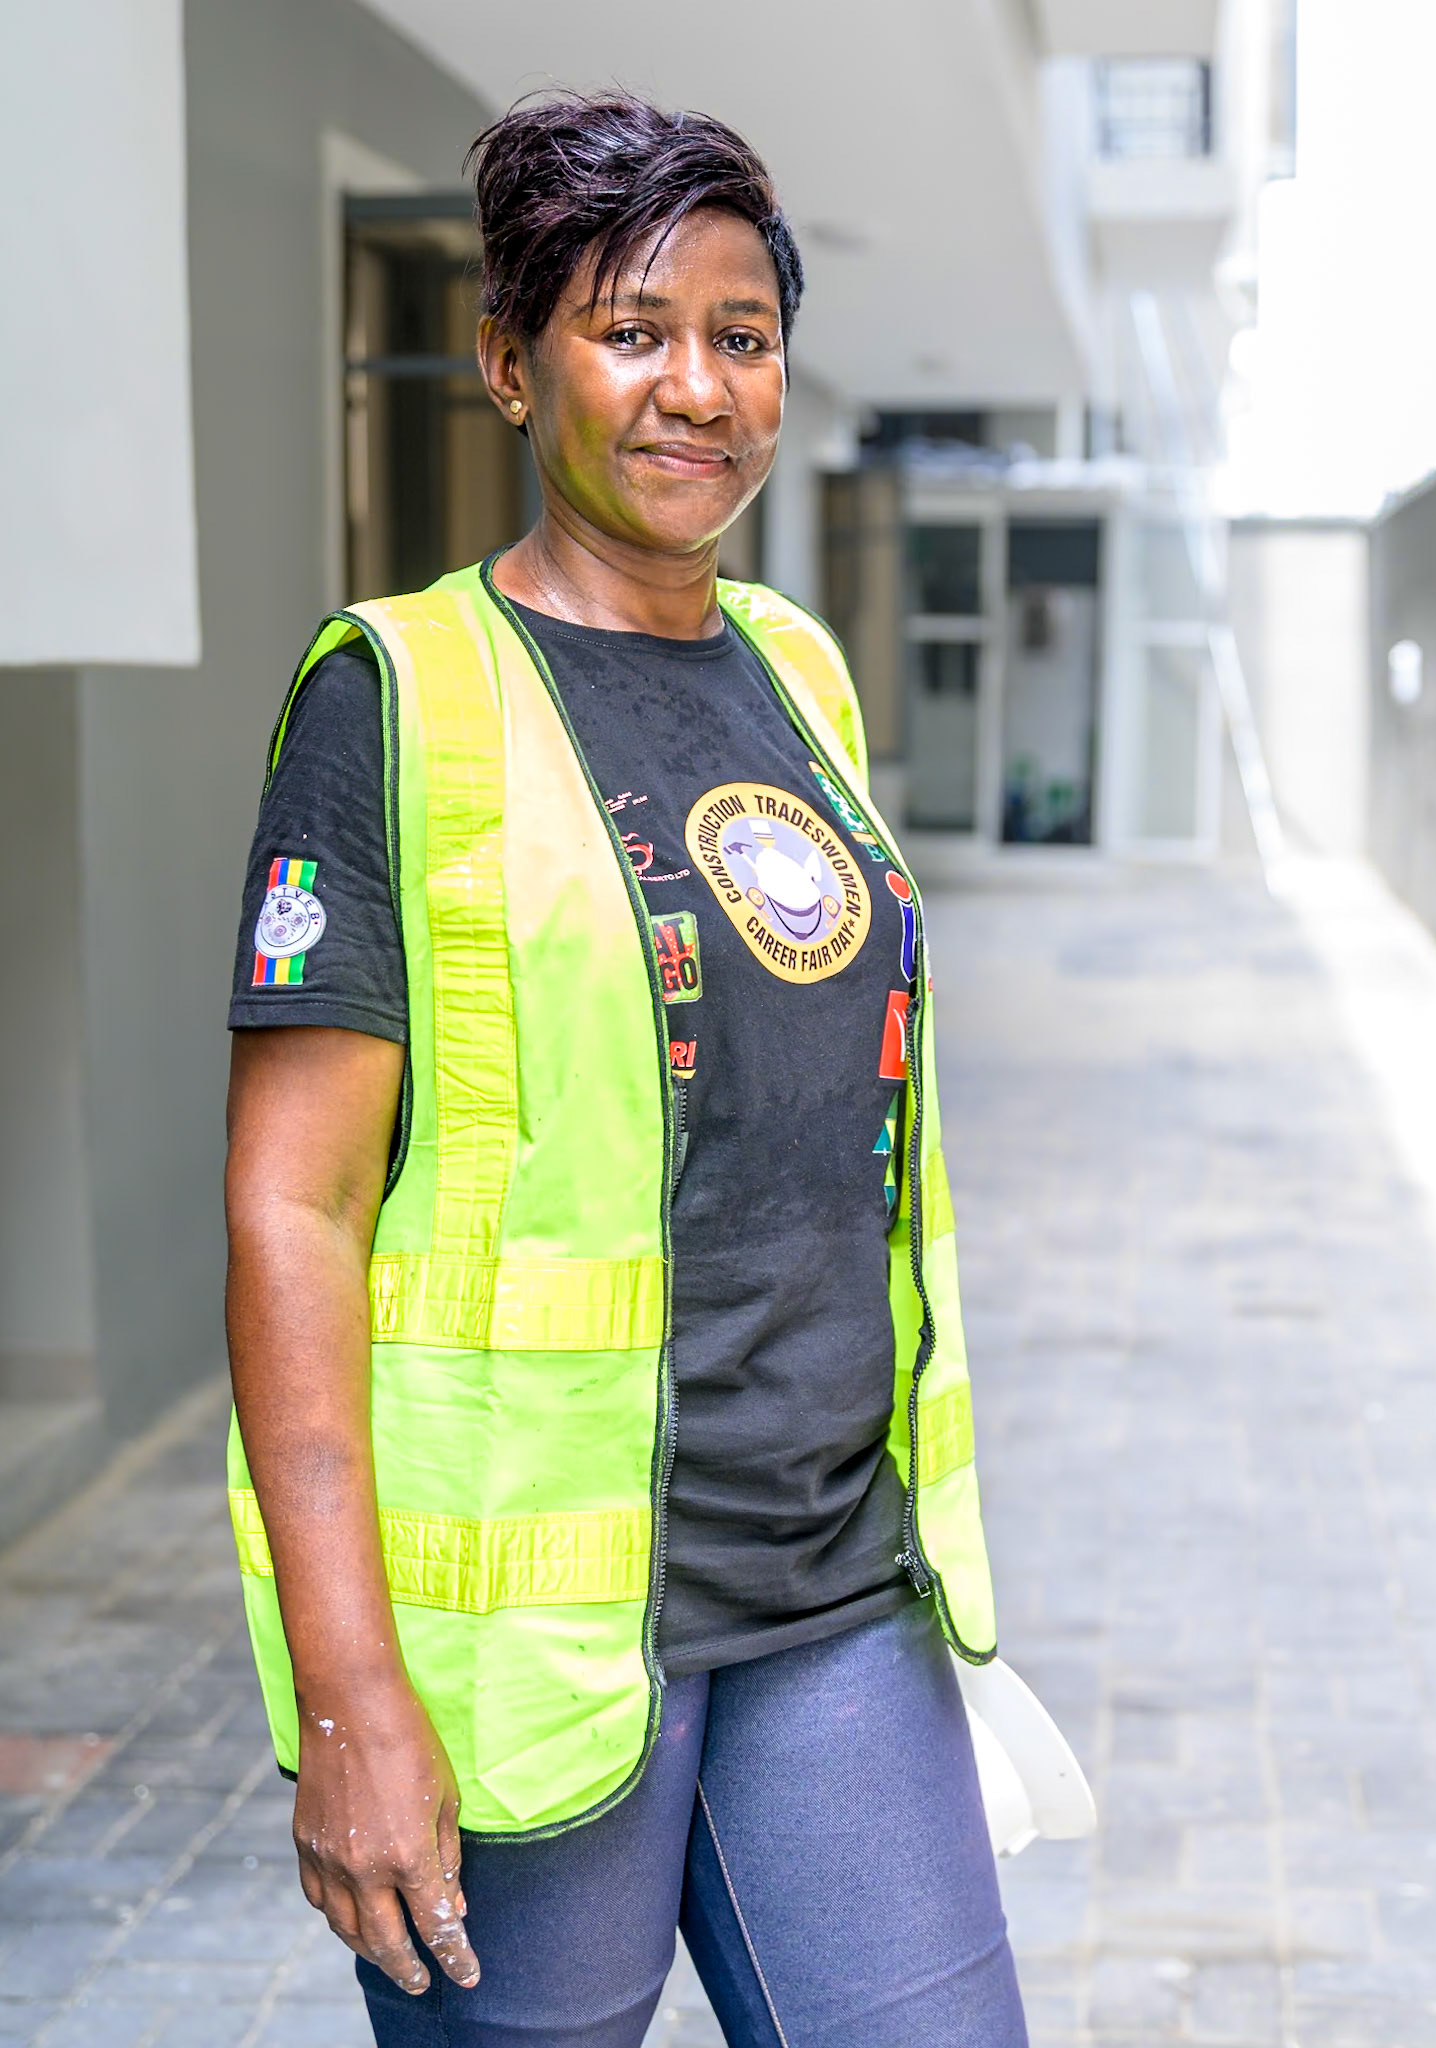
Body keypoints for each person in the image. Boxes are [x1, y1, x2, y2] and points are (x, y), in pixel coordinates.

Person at [224, 90, 1025, 2048]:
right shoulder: (397, 696)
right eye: (631, 327)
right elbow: (292, 1206)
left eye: (741, 338)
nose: (698, 388)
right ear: (510, 361)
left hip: (836, 1591)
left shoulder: (798, 672)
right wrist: (353, 1696)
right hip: (536, 1653)